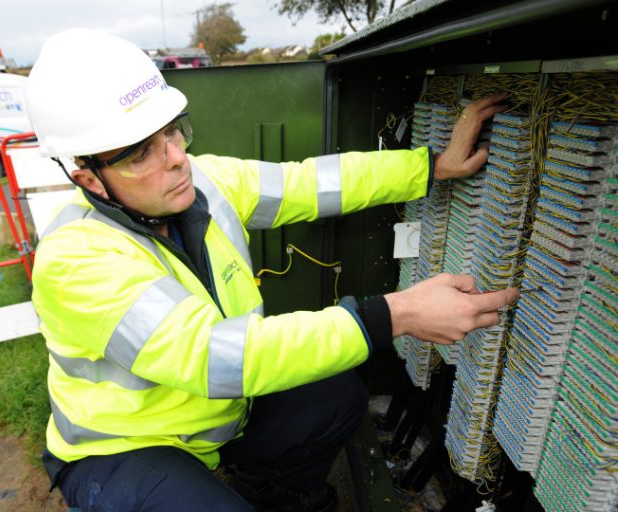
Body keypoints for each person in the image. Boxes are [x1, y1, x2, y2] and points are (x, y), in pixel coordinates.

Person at [25, 28, 518, 512]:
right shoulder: (75, 259)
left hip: (218, 416)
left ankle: (274, 494)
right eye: (140, 153)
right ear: (87, 175)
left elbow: (308, 183)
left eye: (172, 131)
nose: (177, 159)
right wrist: (395, 314)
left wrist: (429, 167)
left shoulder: (203, 183)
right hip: (127, 449)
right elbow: (211, 357)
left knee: (338, 394)